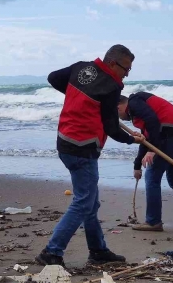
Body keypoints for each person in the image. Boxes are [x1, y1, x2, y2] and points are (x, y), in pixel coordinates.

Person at [35, 45, 146, 267]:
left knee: (90, 203)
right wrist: (132, 139)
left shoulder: (81, 68)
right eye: (126, 68)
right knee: (83, 202)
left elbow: (53, 78)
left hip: (65, 141)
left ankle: (98, 251)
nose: (127, 74)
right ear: (113, 64)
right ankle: (52, 251)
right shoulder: (111, 85)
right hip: (82, 147)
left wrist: (79, 98)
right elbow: (112, 128)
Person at [117, 92, 173, 234]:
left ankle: (153, 222)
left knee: (152, 178)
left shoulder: (134, 102)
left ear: (119, 107)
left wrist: (153, 150)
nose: (122, 118)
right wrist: (137, 165)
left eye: (118, 114)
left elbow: (152, 122)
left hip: (169, 138)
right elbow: (146, 139)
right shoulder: (143, 106)